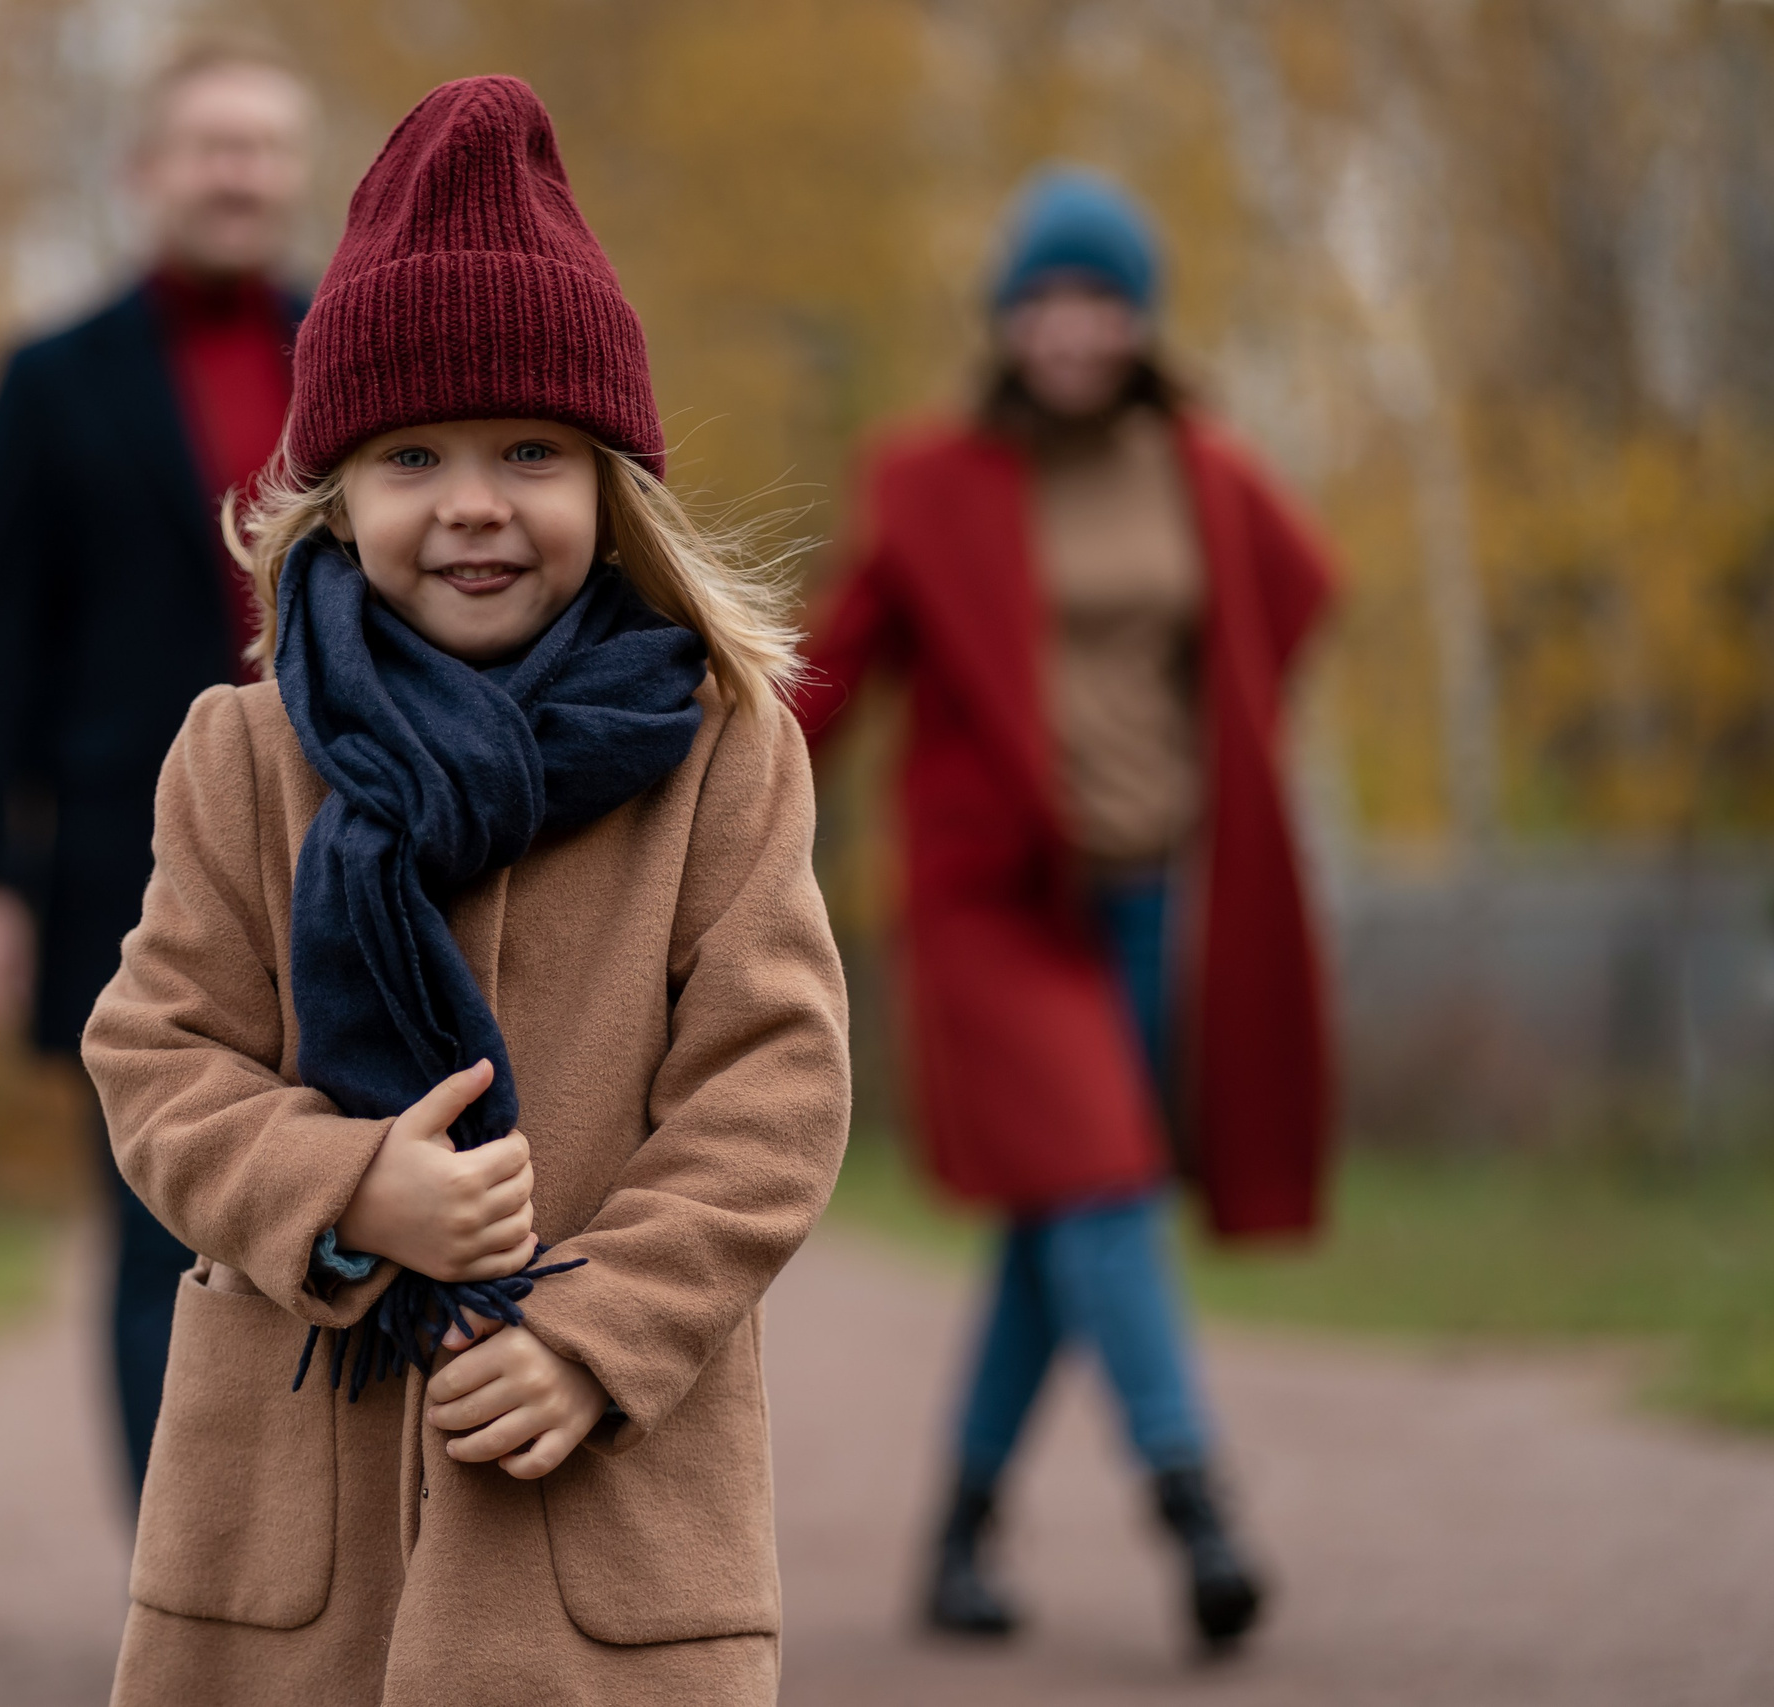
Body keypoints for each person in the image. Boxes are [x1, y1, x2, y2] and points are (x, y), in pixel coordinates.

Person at [81, 76, 853, 1707]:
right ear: (335, 498)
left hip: (598, 1520)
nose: (475, 503)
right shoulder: (243, 756)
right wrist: (349, 1188)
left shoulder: (722, 755)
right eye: (412, 454)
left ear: (613, 488)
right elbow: (157, 1058)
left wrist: (596, 1329)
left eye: (531, 451)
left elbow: (771, 1087)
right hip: (295, 1546)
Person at [793, 168, 1337, 1656]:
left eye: (1101, 301)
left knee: (1060, 1219)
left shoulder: (1207, 474)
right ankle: (1193, 1502)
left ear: (1141, 320)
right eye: (1046, 300)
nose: (1074, 329)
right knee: (1103, 1179)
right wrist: (691, 776)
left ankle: (959, 1533)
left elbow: (1297, 601)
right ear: (1008, 319)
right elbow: (831, 676)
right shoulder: (929, 480)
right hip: (989, 903)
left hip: (1156, 893)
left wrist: (1216, 734)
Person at [0, 42, 315, 1501]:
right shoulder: (50, 380)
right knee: (165, 1236)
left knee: (344, 1218)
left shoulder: (359, 351)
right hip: (124, 868)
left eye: (264, 147)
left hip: (357, 852)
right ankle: (186, 1605)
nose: (239, 173)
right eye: (211, 145)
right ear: (143, 173)